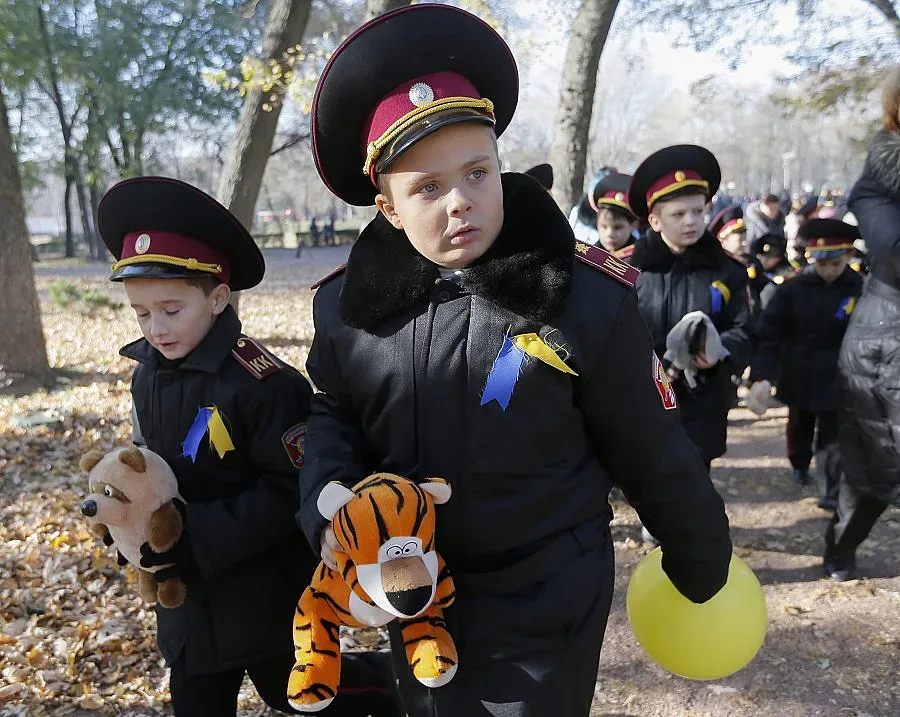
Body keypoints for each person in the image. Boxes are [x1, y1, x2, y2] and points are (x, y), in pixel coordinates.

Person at [298, 6, 732, 716]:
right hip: (413, 593)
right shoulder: (349, 312)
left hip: (546, 598)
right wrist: (327, 503)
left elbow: (648, 444)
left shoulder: (584, 299)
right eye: (428, 188)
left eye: (478, 173)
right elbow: (333, 414)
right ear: (387, 208)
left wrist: (700, 556)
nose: (460, 203)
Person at [96, 177, 398, 717]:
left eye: (171, 310)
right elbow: (148, 461)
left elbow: (290, 488)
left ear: (217, 297)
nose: (156, 328)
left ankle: (398, 688)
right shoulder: (146, 375)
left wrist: (199, 535)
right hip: (188, 598)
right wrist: (127, 520)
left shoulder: (262, 385)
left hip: (259, 590)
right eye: (141, 313)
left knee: (297, 693)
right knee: (195, 701)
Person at [626, 145, 755, 472]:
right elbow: (609, 334)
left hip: (703, 405)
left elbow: (745, 330)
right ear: (655, 220)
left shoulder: (729, 270)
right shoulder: (626, 271)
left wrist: (719, 352)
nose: (691, 221)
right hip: (641, 403)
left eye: (698, 211)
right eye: (679, 214)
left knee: (695, 486)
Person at [825, 65, 900, 581]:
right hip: (885, 346)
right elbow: (895, 253)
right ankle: (841, 546)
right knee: (874, 470)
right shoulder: (876, 186)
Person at [746, 219, 863, 506]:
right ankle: (799, 463)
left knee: (833, 434)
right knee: (800, 424)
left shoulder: (860, 288)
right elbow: (769, 334)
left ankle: (830, 488)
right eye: (822, 264)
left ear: (848, 256)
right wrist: (762, 374)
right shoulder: (792, 288)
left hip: (840, 373)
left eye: (835, 263)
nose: (829, 270)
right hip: (800, 370)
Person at [589, 171, 639, 258]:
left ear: (633, 225)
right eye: (604, 226)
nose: (610, 234)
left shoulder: (641, 258)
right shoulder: (588, 257)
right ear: (597, 224)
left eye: (617, 227)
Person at [746, 234, 796, 313]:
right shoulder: (759, 271)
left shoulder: (787, 272)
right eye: (762, 257)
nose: (764, 260)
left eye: (768, 258)